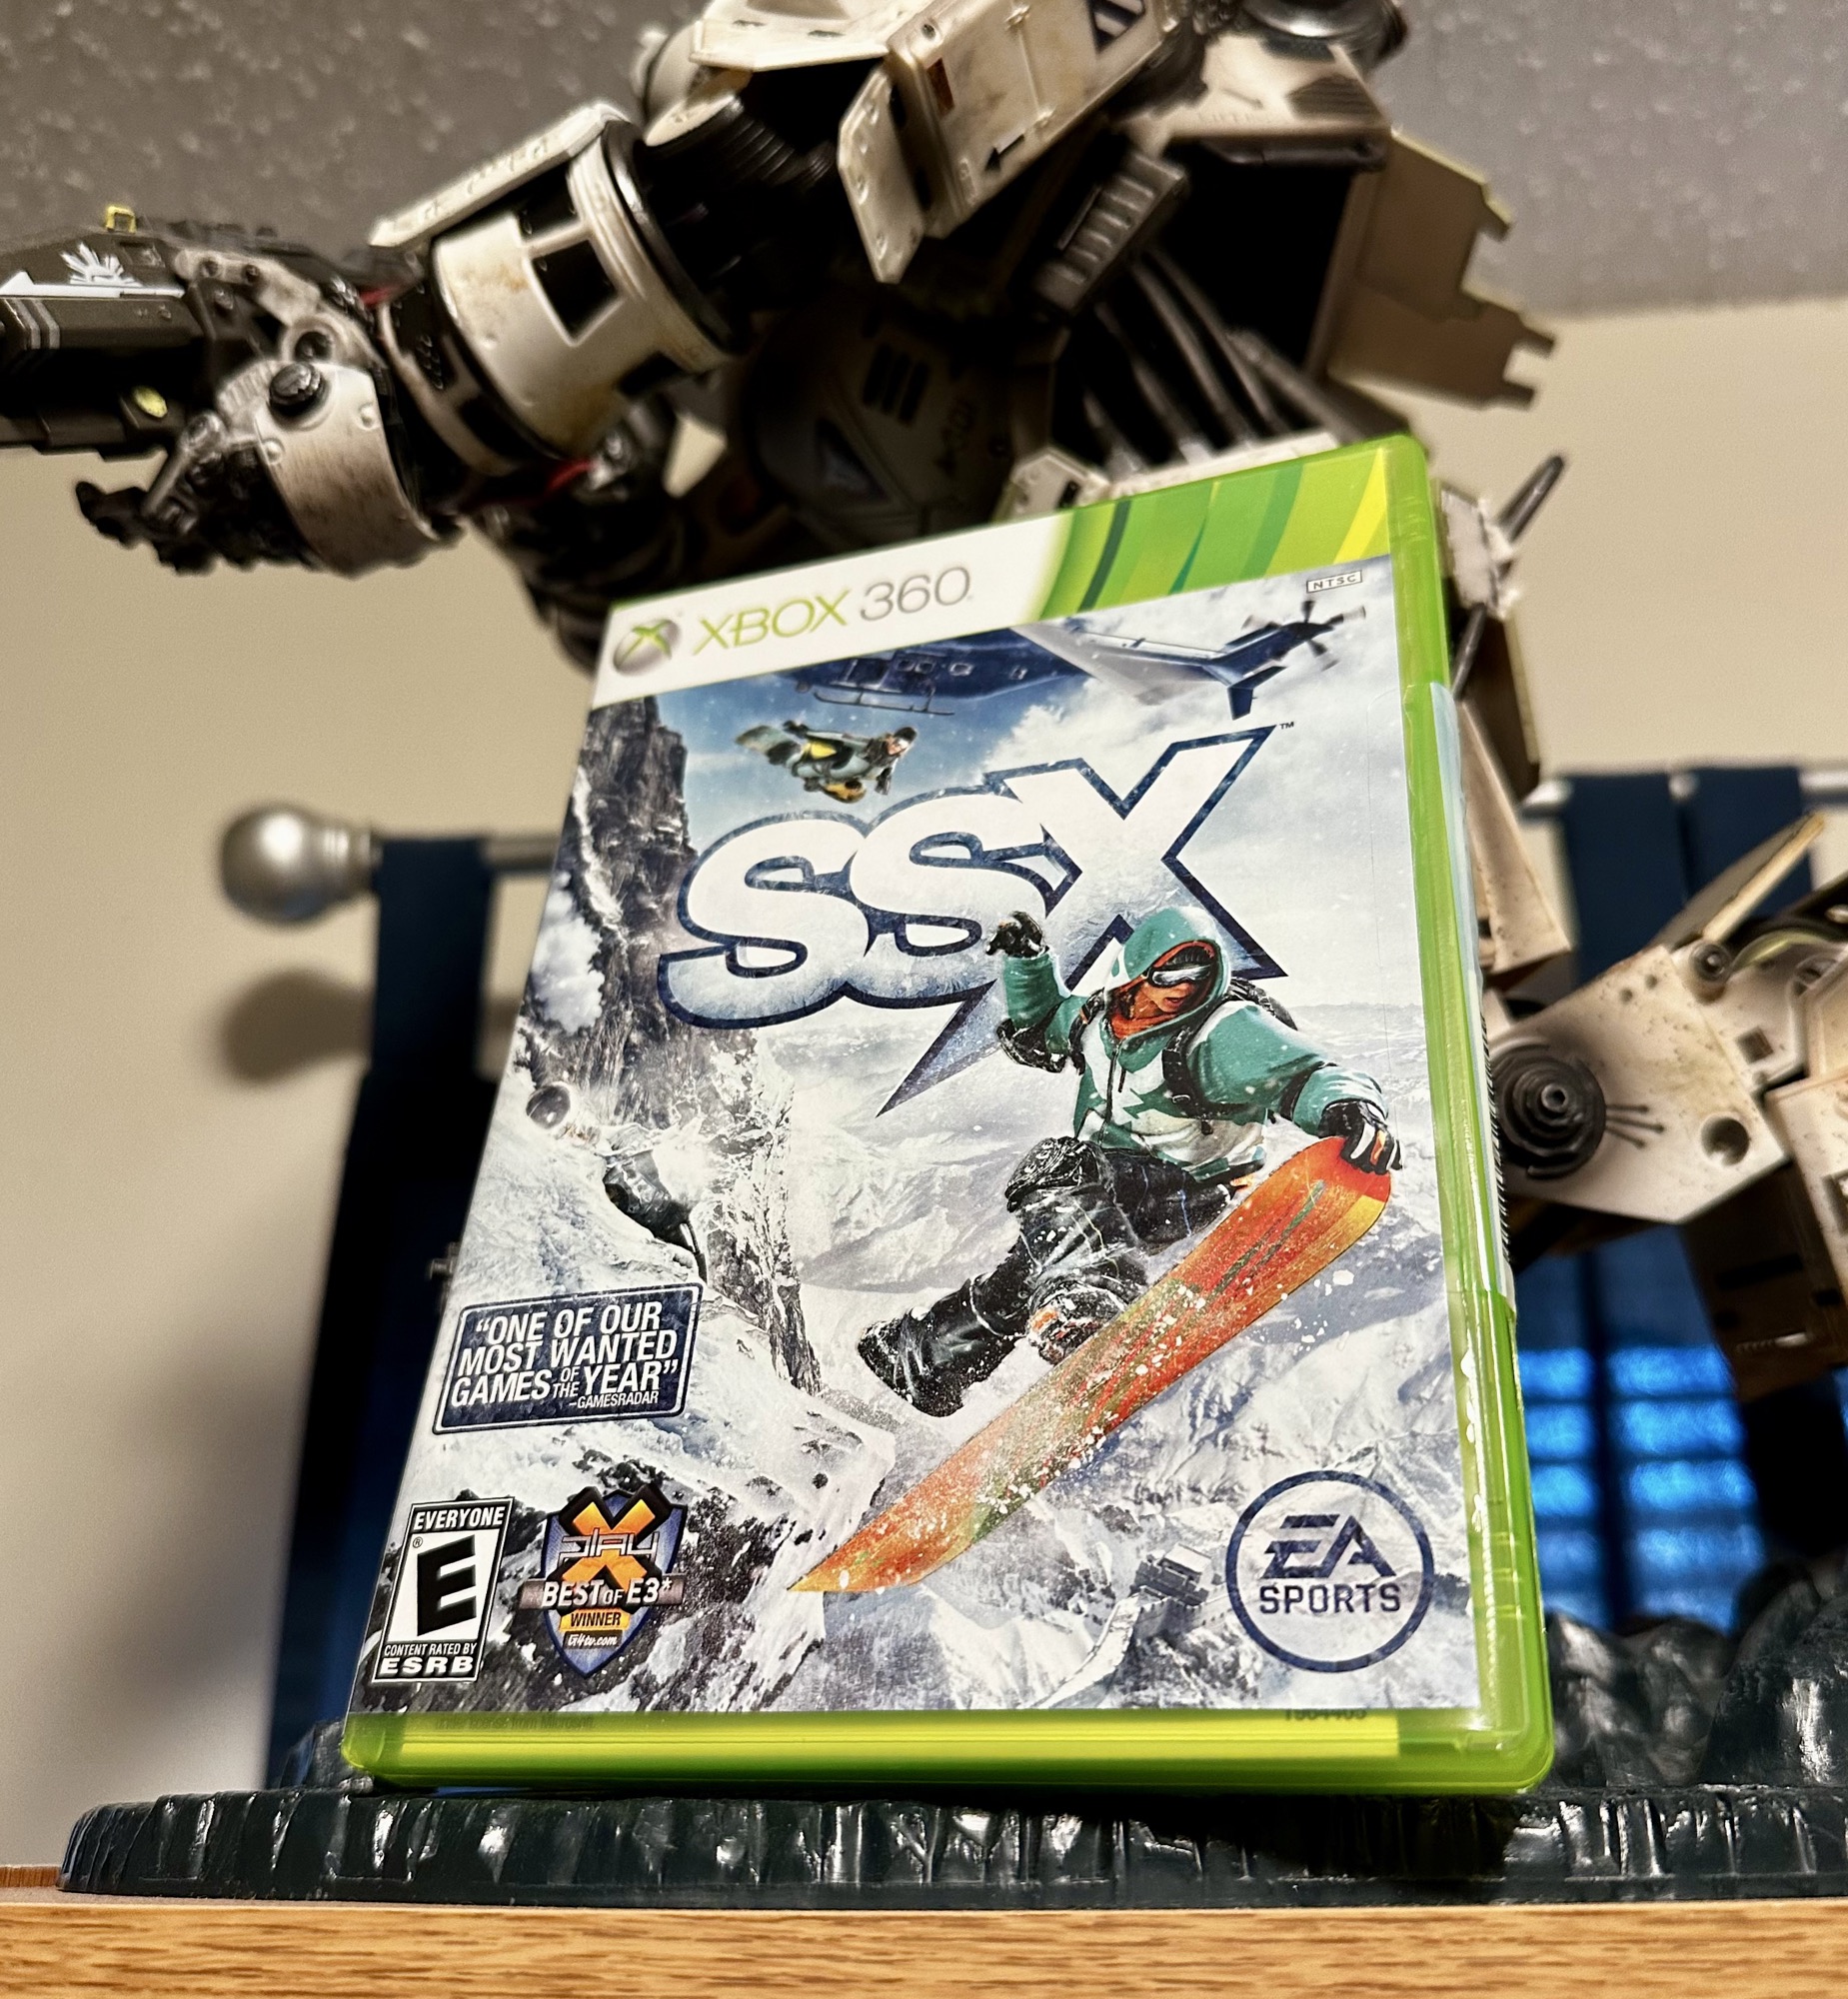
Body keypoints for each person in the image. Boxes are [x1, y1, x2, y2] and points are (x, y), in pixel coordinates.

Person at [859, 907, 1398, 1414]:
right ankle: (929, 1359)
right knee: (1030, 1267)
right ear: (1137, 972)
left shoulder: (1223, 1031)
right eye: (1169, 975)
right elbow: (1043, 1024)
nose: (1182, 989)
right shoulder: (1099, 1018)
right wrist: (1028, 964)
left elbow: (1307, 1074)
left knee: (1058, 1168)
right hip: (1109, 1187)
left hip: (1192, 1188)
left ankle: (1094, 1300)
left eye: (1197, 977)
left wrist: (1352, 1109)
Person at [737, 720, 917, 803]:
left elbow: (888, 771)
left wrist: (884, 781)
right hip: (825, 765)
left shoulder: (891, 762)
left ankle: (821, 783)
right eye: (897, 742)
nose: (897, 748)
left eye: (902, 747)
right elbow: (836, 737)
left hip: (840, 777)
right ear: (890, 738)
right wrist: (806, 732)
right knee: (794, 764)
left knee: (855, 794)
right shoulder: (865, 745)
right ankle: (777, 745)